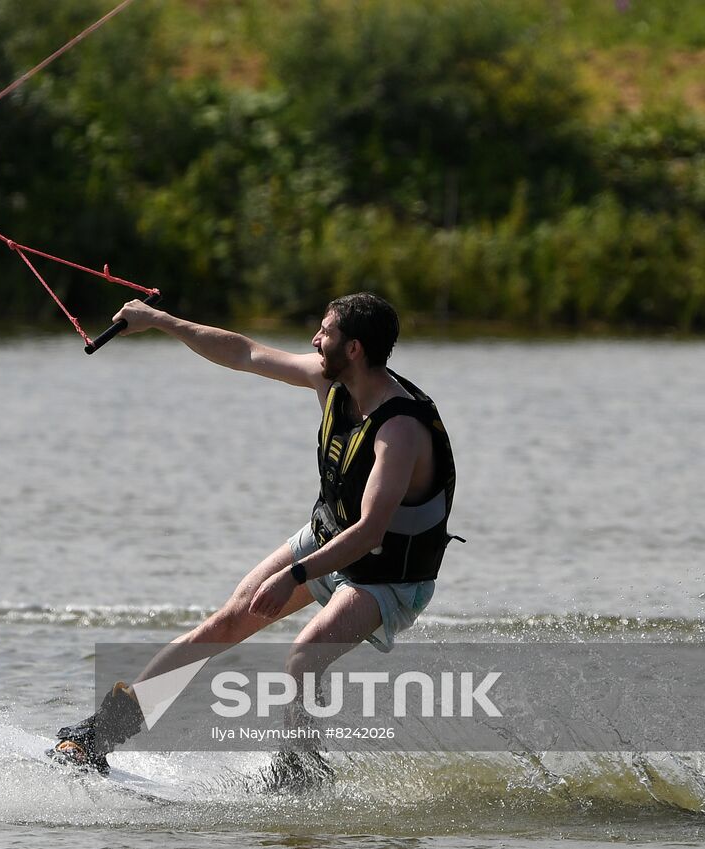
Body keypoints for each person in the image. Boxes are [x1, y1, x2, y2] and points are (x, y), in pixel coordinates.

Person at [52, 292, 458, 791]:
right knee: (225, 623)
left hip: (389, 573)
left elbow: (371, 532)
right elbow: (242, 352)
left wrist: (295, 574)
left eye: (325, 332)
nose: (315, 339)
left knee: (305, 656)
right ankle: (100, 737)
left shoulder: (399, 432)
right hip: (332, 537)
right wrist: (160, 321)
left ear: (353, 348)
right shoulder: (329, 380)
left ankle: (300, 776)